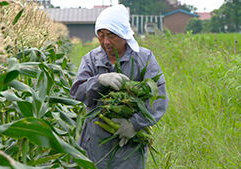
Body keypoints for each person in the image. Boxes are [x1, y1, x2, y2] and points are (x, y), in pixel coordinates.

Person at [70, 4, 169, 169]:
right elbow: (77, 93)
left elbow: (158, 98)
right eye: (100, 36)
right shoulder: (91, 60)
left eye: (111, 36)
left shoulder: (143, 58)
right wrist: (99, 80)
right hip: (96, 142)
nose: (105, 42)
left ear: (124, 34)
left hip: (129, 145)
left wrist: (134, 125)